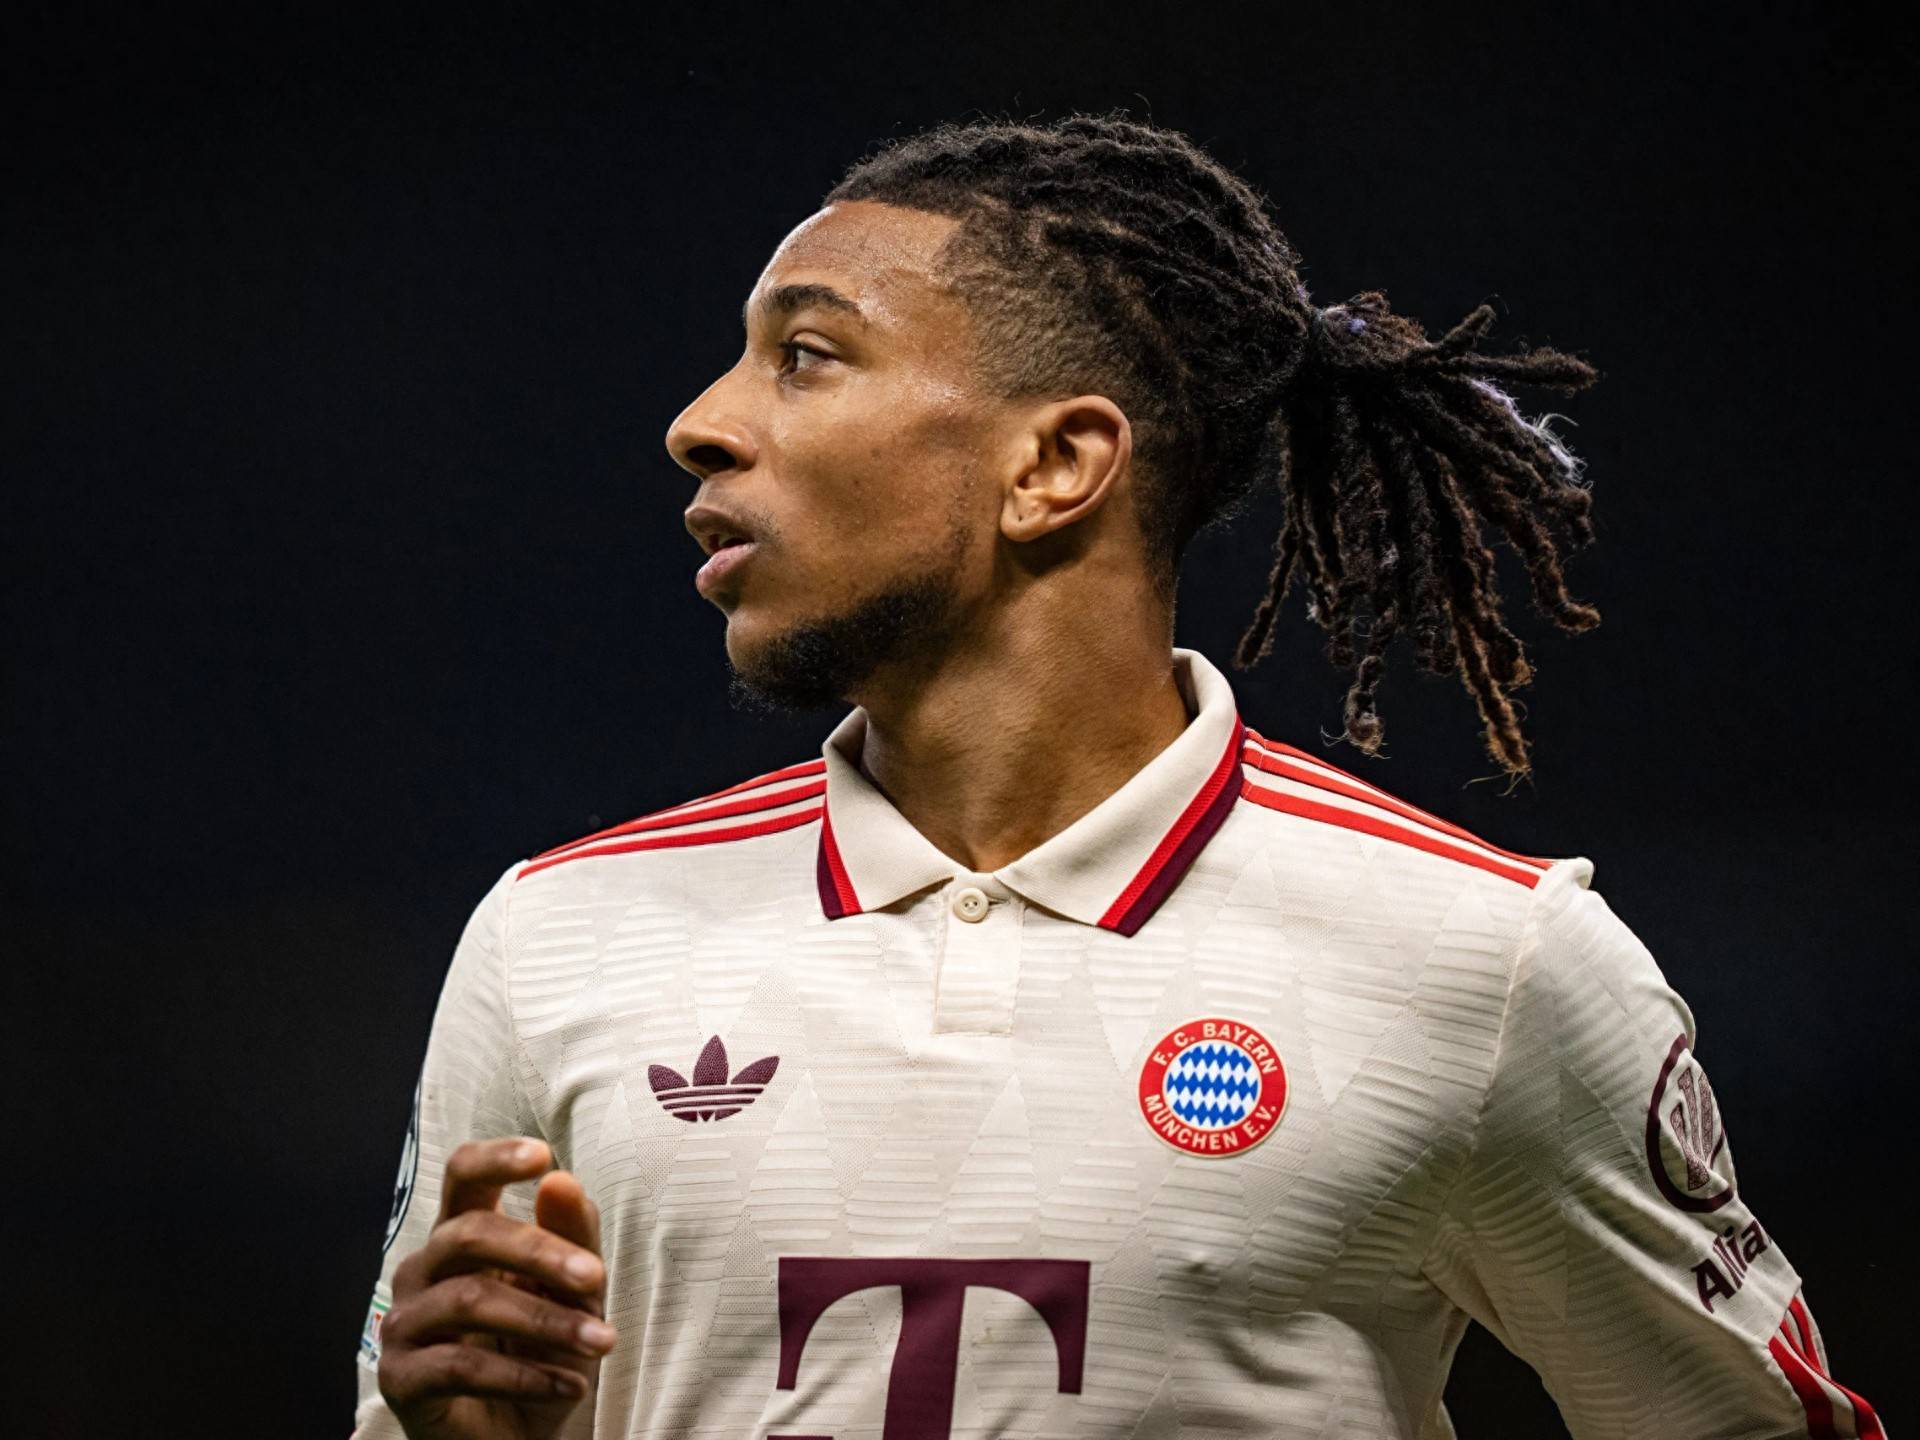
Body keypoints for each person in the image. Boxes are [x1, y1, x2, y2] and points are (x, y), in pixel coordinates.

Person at [352, 114, 1884, 1440]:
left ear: (1055, 466)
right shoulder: (555, 938)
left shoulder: (1482, 964)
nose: (702, 423)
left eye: (805, 357)